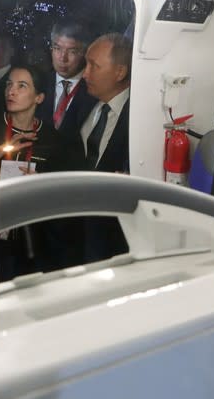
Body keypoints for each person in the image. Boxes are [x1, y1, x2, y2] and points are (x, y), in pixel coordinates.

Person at [0, 64, 83, 279]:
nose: (11, 91)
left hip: (33, 240)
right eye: (9, 84)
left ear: (39, 97)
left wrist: (43, 184)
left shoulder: (54, 141)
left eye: (22, 86)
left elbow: (69, 195)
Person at [79, 32, 132, 262]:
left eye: (93, 66)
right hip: (80, 233)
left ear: (120, 72)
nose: (84, 74)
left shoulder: (139, 116)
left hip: (114, 243)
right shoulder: (84, 105)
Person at [36, 19, 97, 142]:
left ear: (84, 53)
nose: (63, 58)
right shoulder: (38, 83)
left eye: (72, 51)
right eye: (57, 48)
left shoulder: (95, 89)